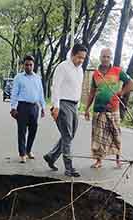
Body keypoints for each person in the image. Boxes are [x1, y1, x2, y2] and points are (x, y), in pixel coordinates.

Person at [85, 48, 133, 169]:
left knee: (115, 134)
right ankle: (98, 160)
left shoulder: (118, 71)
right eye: (103, 56)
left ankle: (118, 160)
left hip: (113, 109)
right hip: (98, 109)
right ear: (100, 57)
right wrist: (86, 109)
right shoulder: (96, 74)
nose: (105, 59)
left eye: (108, 57)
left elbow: (131, 83)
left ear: (110, 58)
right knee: (98, 136)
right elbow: (92, 93)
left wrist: (121, 93)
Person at [44, 43, 87, 177]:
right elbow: (55, 87)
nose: (81, 60)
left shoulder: (80, 70)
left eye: (83, 58)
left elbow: (77, 89)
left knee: (69, 135)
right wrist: (55, 106)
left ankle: (51, 156)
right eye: (79, 57)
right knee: (67, 135)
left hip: (74, 105)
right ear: (72, 54)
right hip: (63, 104)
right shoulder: (62, 67)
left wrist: (78, 106)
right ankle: (69, 167)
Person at [9, 55, 46, 163]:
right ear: (23, 65)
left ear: (33, 65)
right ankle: (22, 154)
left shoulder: (38, 78)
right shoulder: (18, 77)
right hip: (22, 107)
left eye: (30, 65)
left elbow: (41, 93)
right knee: (22, 131)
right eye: (26, 65)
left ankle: (28, 150)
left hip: (34, 107)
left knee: (33, 130)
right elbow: (14, 93)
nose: (29, 67)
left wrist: (43, 107)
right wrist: (13, 108)